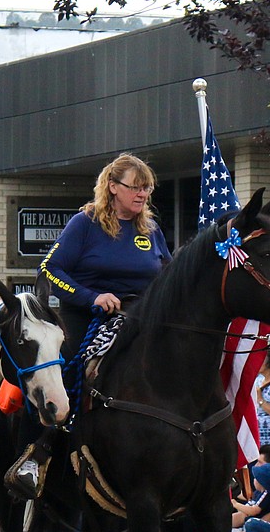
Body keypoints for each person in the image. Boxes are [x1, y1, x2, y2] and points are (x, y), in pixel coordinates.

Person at [9, 153, 171, 496]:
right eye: (135, 187)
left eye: (147, 189)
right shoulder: (86, 223)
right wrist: (91, 296)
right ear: (112, 187)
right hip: (86, 318)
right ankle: (35, 454)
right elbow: (49, 270)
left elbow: (169, 277)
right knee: (61, 373)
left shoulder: (151, 230)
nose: (142, 195)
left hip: (138, 320)